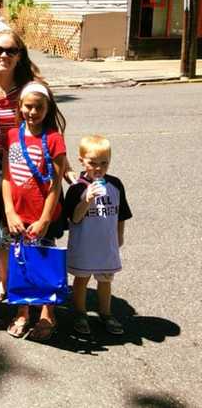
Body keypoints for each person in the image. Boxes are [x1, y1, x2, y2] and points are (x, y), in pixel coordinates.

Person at [0, 30, 75, 303]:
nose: (4, 56)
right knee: (1, 232)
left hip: (27, 171)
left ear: (20, 55)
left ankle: (38, 288)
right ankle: (6, 281)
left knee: (33, 232)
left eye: (11, 50)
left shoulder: (32, 88)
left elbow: (51, 131)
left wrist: (64, 166)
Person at [3, 82, 67, 341]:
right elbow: (7, 176)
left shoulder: (54, 139)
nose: (32, 111)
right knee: (20, 264)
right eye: (28, 106)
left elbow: (56, 184)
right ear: (19, 107)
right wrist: (9, 211)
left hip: (41, 218)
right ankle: (22, 311)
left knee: (43, 264)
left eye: (38, 107)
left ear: (47, 108)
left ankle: (47, 312)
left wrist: (44, 219)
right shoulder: (12, 136)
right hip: (17, 216)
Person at [64, 135, 132, 335]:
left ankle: (106, 313)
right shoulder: (77, 188)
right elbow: (75, 219)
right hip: (84, 244)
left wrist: (120, 235)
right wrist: (86, 199)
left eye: (104, 163)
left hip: (106, 244)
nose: (98, 168)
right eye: (92, 163)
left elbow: (122, 214)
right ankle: (80, 313)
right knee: (82, 279)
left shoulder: (115, 185)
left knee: (105, 280)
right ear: (82, 161)